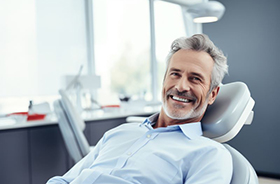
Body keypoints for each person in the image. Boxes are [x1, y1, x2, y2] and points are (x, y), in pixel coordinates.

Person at [47, 34, 232, 184]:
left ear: (213, 94)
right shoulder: (118, 133)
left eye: (195, 79)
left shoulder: (210, 154)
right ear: (164, 80)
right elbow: (64, 180)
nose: (181, 86)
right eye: (175, 74)